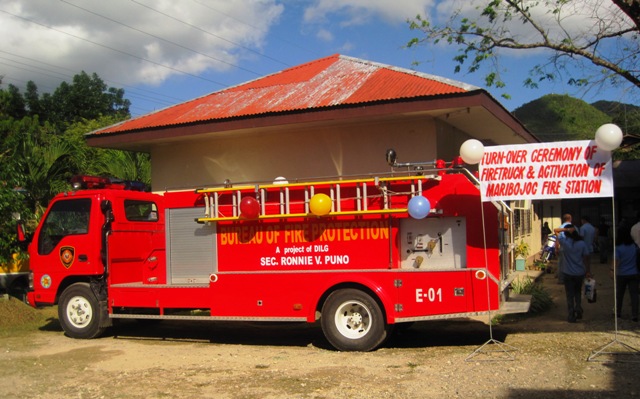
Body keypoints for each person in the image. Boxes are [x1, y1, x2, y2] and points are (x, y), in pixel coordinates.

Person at [554, 224, 590, 323]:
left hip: (568, 272)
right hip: (579, 272)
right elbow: (586, 258)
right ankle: (578, 308)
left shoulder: (565, 242)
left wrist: (566, 229)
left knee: (569, 294)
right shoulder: (582, 244)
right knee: (578, 292)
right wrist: (588, 271)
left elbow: (556, 230)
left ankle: (571, 314)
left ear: (566, 234)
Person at [612, 226, 640, 322]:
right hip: (634, 272)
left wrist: (612, 270)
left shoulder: (618, 248)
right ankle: (635, 314)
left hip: (622, 273)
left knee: (619, 294)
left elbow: (616, 261)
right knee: (634, 295)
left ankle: (618, 312)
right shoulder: (634, 246)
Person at [557, 214, 572, 283]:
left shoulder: (560, 227)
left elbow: (558, 238)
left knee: (561, 264)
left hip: (563, 248)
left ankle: (561, 279)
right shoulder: (574, 227)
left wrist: (556, 248)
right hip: (572, 248)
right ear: (570, 219)